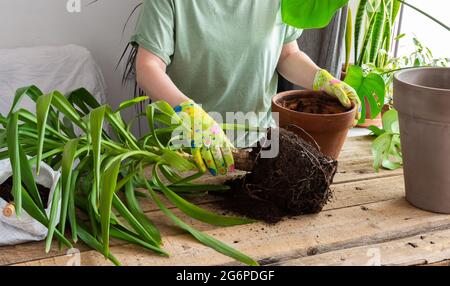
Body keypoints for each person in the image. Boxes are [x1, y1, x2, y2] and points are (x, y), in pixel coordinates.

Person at [131, 0, 361, 176]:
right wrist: (191, 115)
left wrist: (323, 80)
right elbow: (148, 66)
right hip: (188, 150)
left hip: (259, 149)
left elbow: (287, 54)